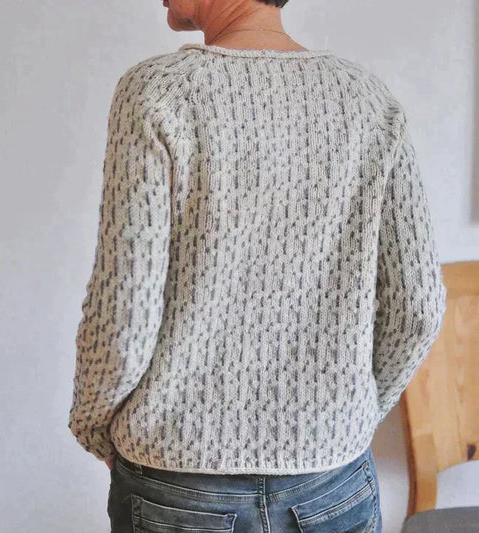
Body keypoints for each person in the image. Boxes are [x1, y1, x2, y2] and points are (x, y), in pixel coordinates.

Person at [67, 0, 447, 531]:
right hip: (332, 479)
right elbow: (418, 307)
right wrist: (346, 416)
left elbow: (124, 310)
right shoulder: (368, 100)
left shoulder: (159, 92)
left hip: (178, 479)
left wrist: (92, 425)